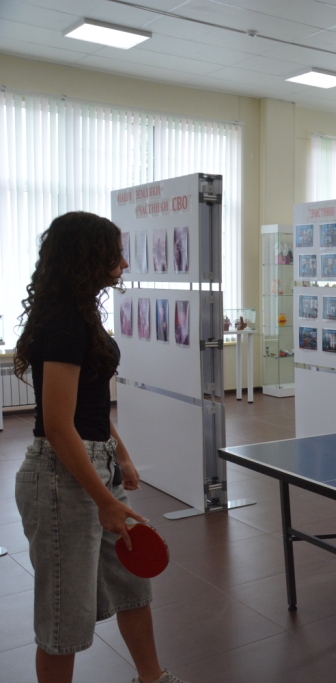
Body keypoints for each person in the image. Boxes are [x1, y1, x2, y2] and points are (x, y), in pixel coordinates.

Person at [13, 212, 187, 683]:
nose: (124, 263)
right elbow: (57, 426)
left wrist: (120, 453)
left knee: (133, 586)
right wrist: (105, 501)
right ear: (88, 257)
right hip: (60, 479)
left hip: (95, 465)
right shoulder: (64, 323)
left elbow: (86, 407)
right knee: (65, 618)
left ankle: (153, 679)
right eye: (116, 254)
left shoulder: (81, 314)